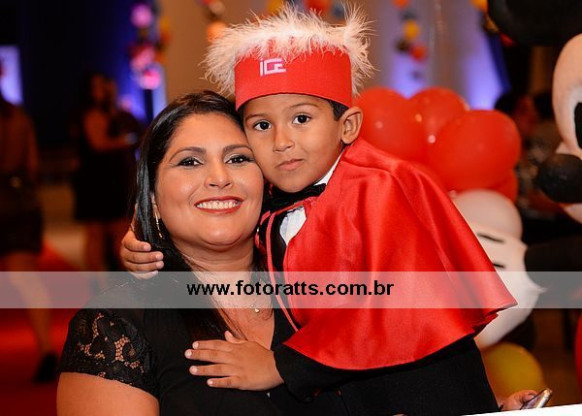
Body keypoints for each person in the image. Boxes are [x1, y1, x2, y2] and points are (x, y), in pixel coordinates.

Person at [122, 6, 517, 415]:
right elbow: (215, 216)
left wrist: (282, 366)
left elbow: (395, 305)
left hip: (423, 384)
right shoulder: (277, 197)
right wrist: (143, 240)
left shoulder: (379, 186)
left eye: (301, 118)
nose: (281, 141)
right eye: (261, 126)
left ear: (348, 126)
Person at [58, 91, 355, 416]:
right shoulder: (114, 327)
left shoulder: (323, 289)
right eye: (190, 162)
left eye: (238, 159)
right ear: (153, 196)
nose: (219, 178)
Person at [0, 61, 57, 382]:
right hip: (22, 200)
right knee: (27, 279)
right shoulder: (18, 116)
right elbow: (32, 163)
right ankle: (46, 346)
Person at [71, 72, 141, 280]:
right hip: (98, 180)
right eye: (98, 87)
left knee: (115, 231)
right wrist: (125, 141)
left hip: (113, 178)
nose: (104, 89)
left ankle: (117, 280)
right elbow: (99, 143)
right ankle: (103, 282)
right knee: (98, 233)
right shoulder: (91, 114)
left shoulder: (114, 113)